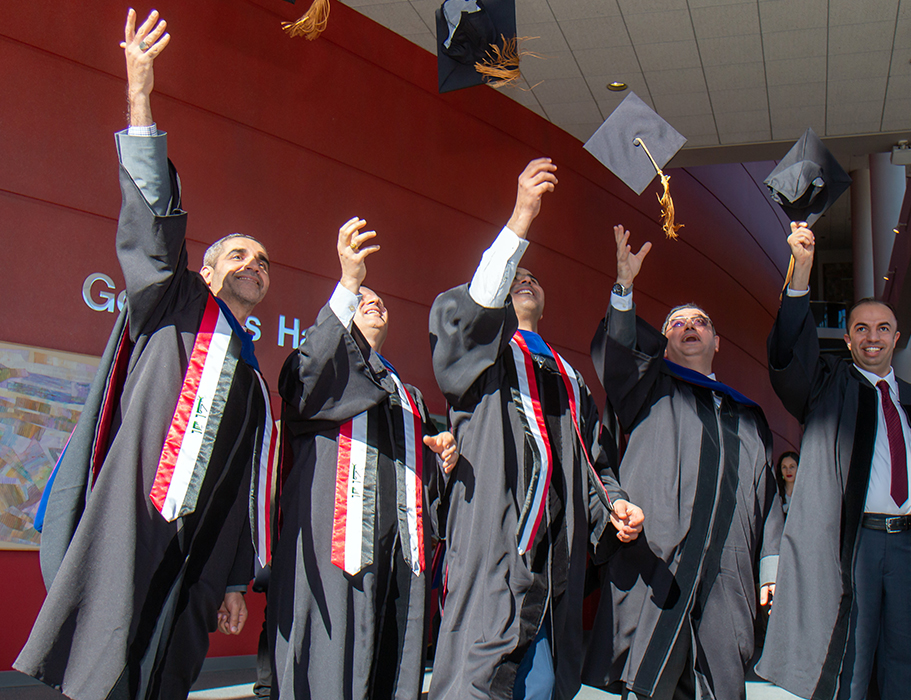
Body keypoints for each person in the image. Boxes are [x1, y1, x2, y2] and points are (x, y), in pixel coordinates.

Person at [16, 10, 275, 699]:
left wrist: (229, 579)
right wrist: (140, 98)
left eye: (265, 261)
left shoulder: (250, 378)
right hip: (137, 517)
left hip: (197, 552)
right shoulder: (177, 302)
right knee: (106, 668)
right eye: (240, 255)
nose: (256, 265)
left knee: (166, 676)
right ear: (211, 273)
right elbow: (156, 228)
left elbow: (240, 482)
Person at [427, 158, 645, 700]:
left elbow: (596, 464)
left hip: (555, 561)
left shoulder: (568, 376)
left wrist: (615, 506)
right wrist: (521, 220)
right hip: (494, 542)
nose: (524, 281)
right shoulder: (485, 357)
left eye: (532, 279)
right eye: (515, 278)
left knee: (545, 684)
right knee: (476, 681)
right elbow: (475, 310)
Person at [756, 222, 911, 700]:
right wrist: (800, 277)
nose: (873, 338)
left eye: (882, 328)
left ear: (897, 336)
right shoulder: (828, 388)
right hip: (855, 546)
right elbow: (788, 354)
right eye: (861, 329)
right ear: (847, 340)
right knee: (852, 660)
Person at [583, 225, 782, 700]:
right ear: (664, 344)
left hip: (727, 574)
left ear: (717, 344)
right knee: (650, 684)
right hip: (659, 559)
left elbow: (768, 498)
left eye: (700, 323)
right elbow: (620, 356)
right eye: (677, 323)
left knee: (721, 685)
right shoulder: (646, 390)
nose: (689, 327)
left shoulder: (747, 415)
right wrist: (624, 289)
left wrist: (771, 568)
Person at [269, 216, 456, 699]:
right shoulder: (323, 372)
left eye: (379, 301)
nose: (374, 303)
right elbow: (307, 375)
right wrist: (348, 282)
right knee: (331, 670)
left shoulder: (409, 395)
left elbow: (421, 485)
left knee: (392, 668)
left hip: (401, 556)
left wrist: (443, 459)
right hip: (338, 549)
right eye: (362, 301)